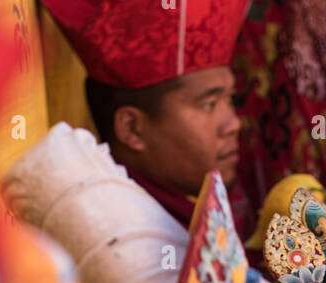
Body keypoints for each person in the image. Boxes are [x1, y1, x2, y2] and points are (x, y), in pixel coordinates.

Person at [41, 0, 245, 227]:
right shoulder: (132, 241)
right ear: (132, 128)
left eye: (230, 98)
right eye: (210, 104)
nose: (233, 124)